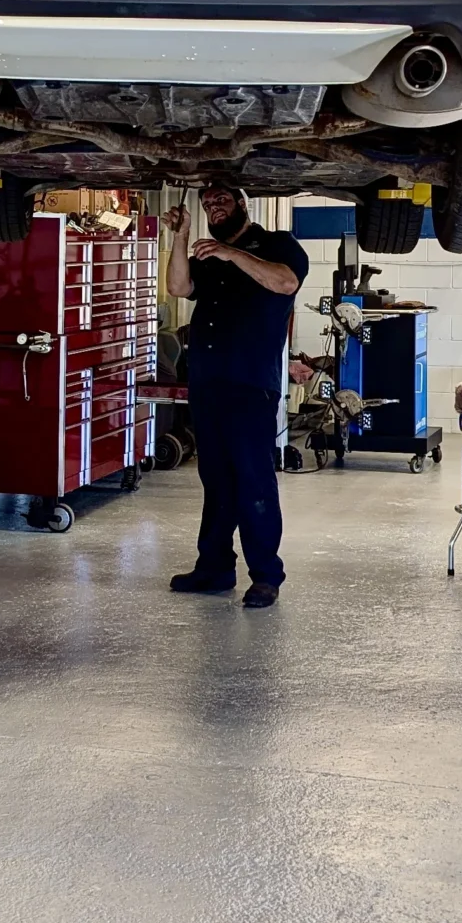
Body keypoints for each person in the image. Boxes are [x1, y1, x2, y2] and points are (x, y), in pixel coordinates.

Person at [164, 185, 307, 608]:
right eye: (207, 204)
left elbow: (285, 282)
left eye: (221, 200)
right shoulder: (208, 252)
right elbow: (178, 287)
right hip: (208, 385)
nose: (214, 208)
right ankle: (214, 567)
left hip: (250, 385)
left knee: (254, 481)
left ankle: (265, 576)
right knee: (216, 480)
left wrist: (233, 255)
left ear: (242, 203)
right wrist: (181, 236)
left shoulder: (278, 244)